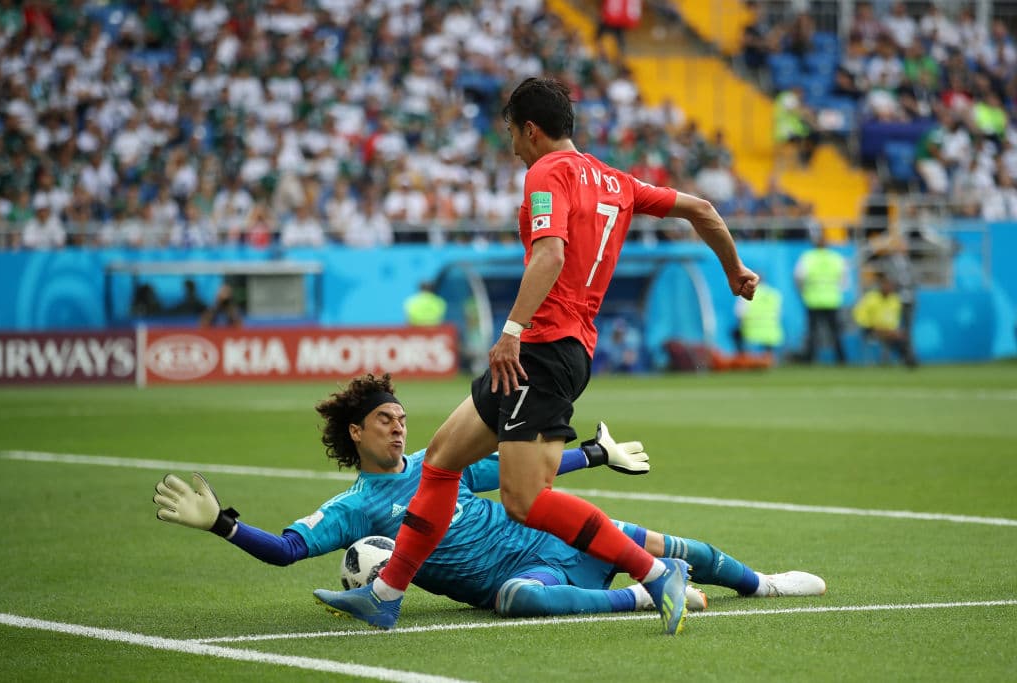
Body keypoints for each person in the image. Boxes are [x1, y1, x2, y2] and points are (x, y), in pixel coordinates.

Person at [317, 77, 760, 635]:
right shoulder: (616, 181)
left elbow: (550, 253)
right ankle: (384, 595)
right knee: (440, 463)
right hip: (556, 350)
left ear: (530, 128)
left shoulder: (545, 173)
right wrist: (733, 270)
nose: (511, 144)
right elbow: (702, 209)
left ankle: (654, 573)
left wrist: (511, 330)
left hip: (542, 350)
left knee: (525, 500)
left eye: (510, 131)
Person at [152, 374, 825, 621]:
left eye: (402, 416)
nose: (400, 426)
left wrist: (592, 453)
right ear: (357, 432)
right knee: (518, 601)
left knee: (657, 539)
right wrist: (223, 523)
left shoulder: (438, 463)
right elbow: (286, 549)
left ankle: (762, 582)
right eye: (386, 419)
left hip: (553, 538)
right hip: (524, 577)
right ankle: (645, 595)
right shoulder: (354, 507)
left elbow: (521, 472)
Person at [794, 233, 848, 365]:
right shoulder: (836, 258)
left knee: (813, 333)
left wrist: (803, 291)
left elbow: (799, 277)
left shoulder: (808, 257)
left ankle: (811, 359)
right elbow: (844, 280)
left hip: (813, 299)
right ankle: (841, 360)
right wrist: (836, 291)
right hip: (832, 300)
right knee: (835, 332)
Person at [852, 273, 918, 368]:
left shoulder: (894, 300)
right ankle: (907, 359)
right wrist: (871, 325)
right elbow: (859, 314)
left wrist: (893, 330)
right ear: (881, 286)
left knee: (902, 335)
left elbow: (894, 319)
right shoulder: (871, 298)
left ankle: (907, 358)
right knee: (893, 335)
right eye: (886, 285)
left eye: (890, 286)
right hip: (870, 328)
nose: (888, 288)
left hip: (887, 330)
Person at [732, 279, 784, 356]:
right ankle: (769, 357)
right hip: (771, 332)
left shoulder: (746, 294)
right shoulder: (774, 294)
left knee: (735, 333)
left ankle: (743, 356)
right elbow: (779, 314)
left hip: (750, 331)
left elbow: (739, 314)